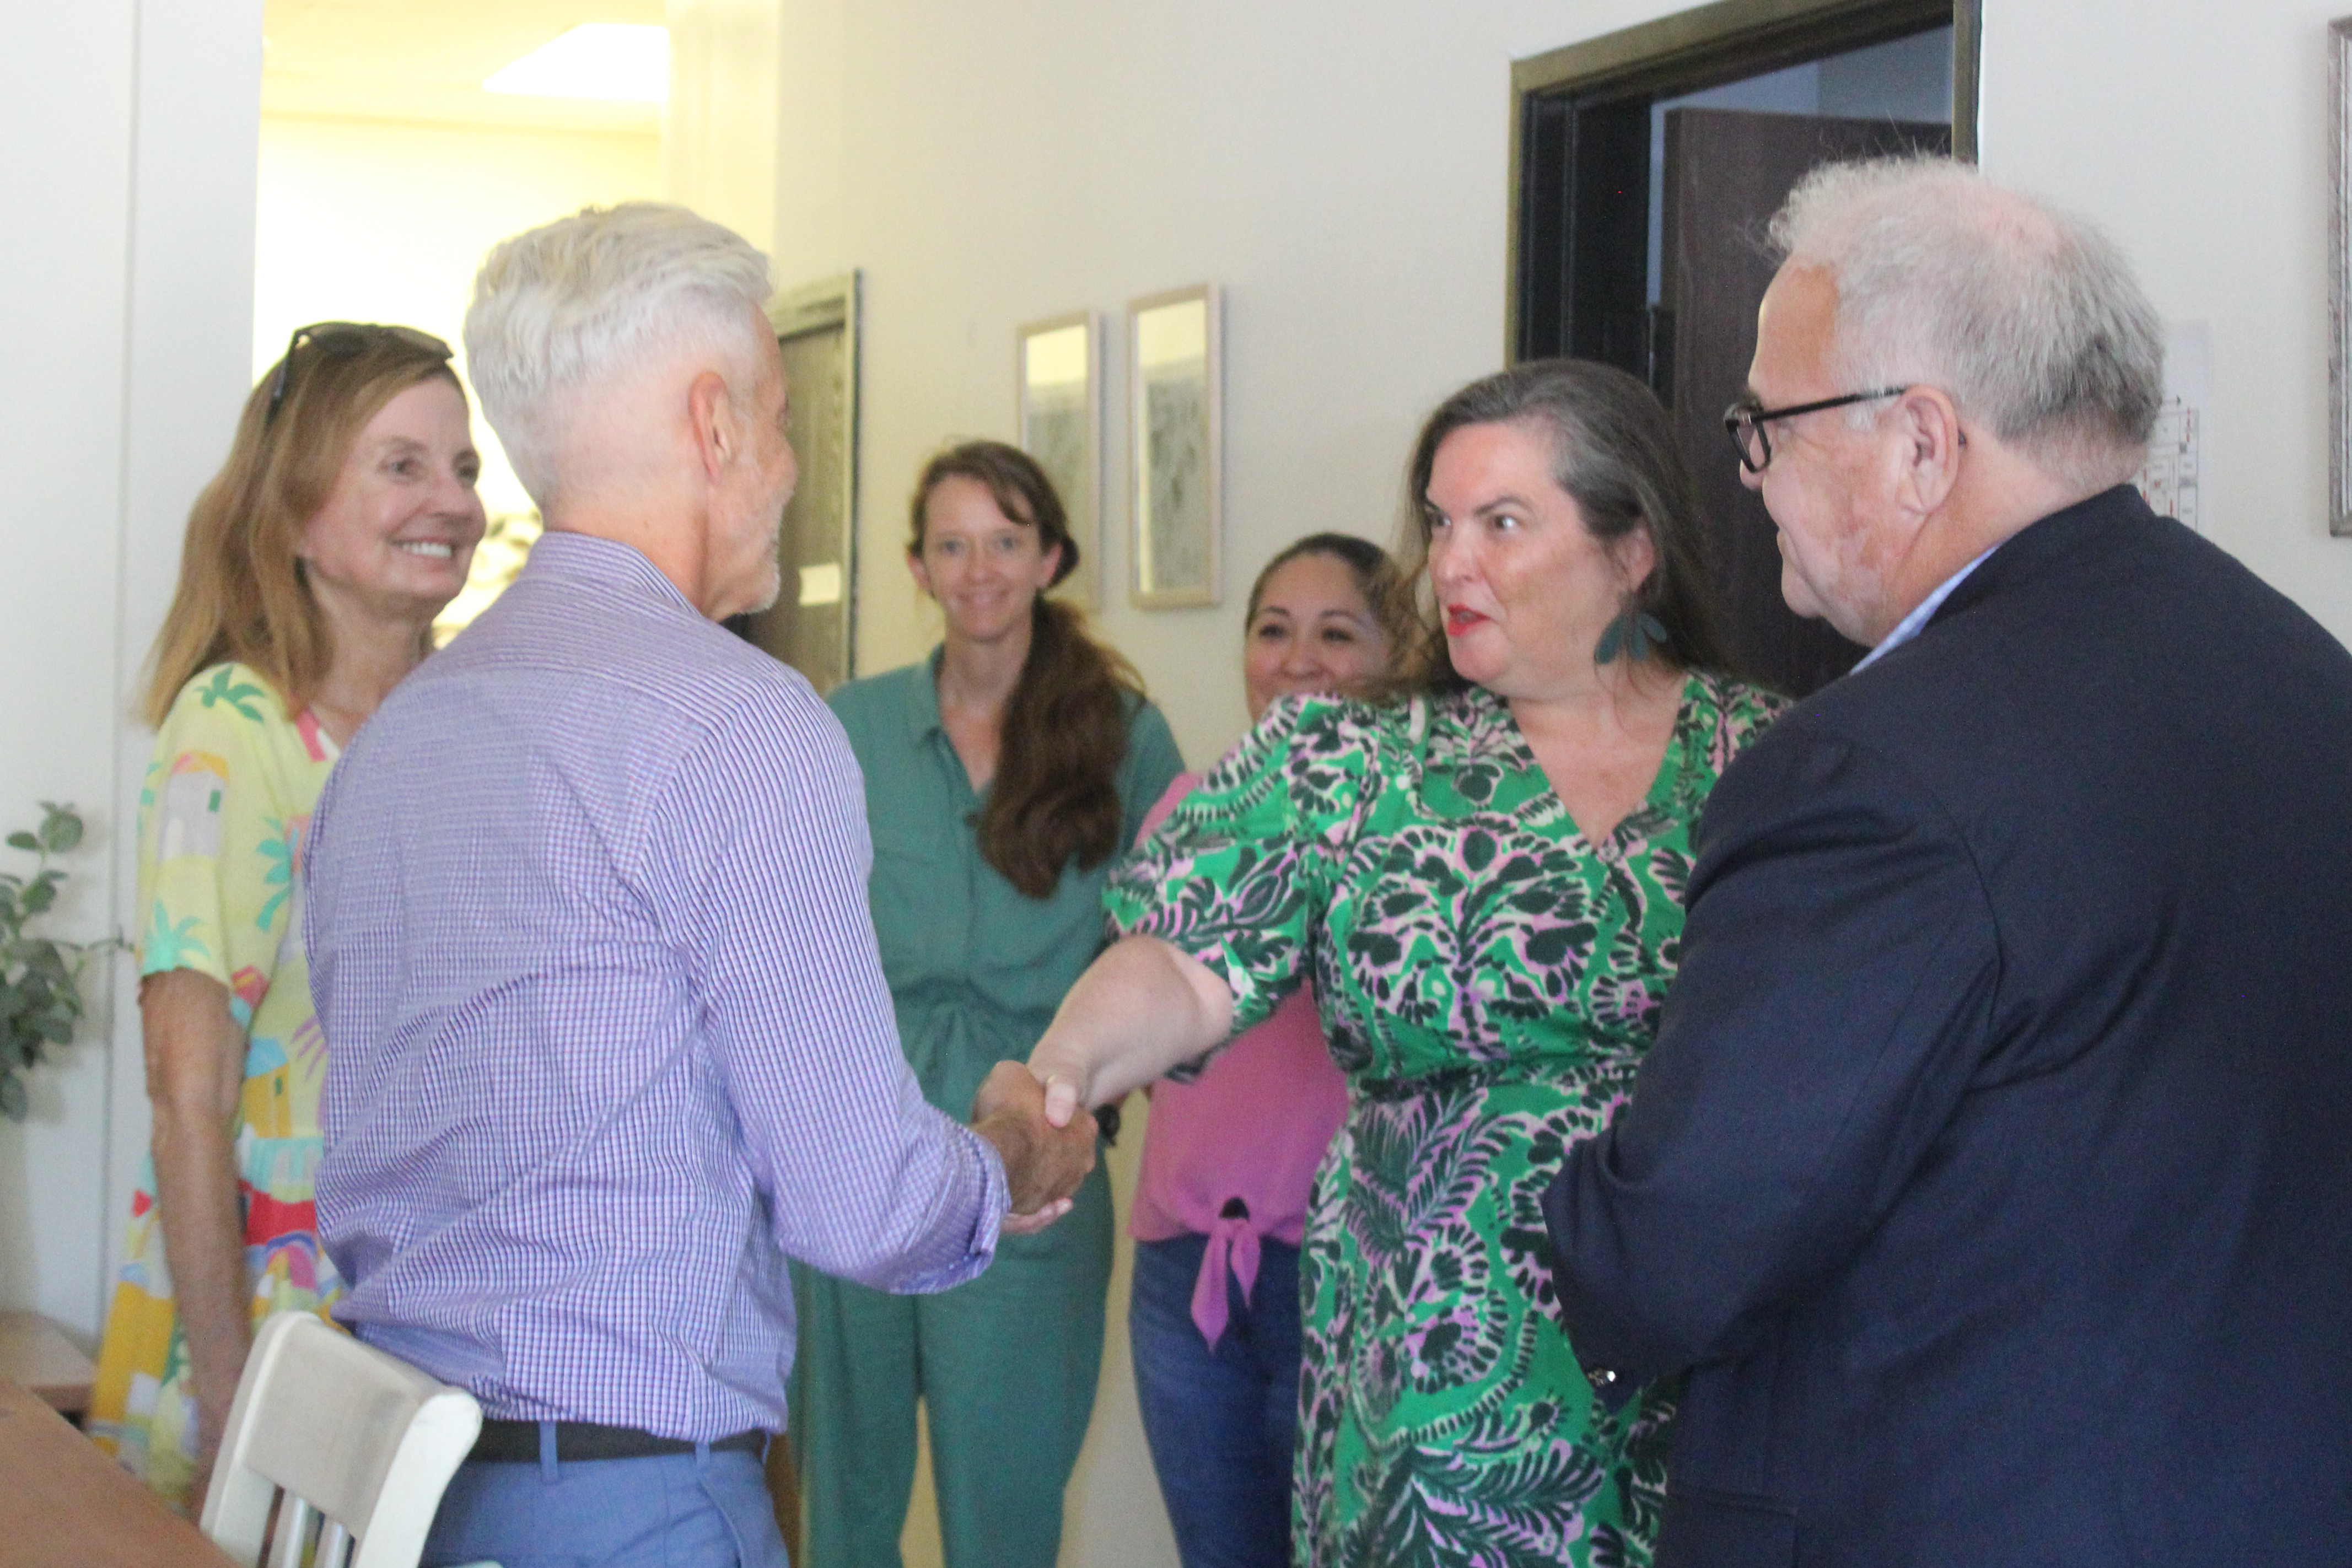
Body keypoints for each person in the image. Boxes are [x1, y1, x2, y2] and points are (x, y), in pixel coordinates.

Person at [1542, 157, 2352, 1567]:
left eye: (1766, 430)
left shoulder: (1865, 769)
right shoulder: (2304, 676)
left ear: (1922, 443)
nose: (1754, 483)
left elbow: (1682, 1244)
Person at [304, 207, 1095, 1568]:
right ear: (719, 424)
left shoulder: (398, 734)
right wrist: (1018, 1155)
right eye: (787, 422)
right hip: (622, 1499)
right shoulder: (740, 723)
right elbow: (859, 1203)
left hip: (407, 1486)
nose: (790, 469)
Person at [1025, 359, 1788, 1568]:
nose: (1450, 564)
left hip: (1704, 1363)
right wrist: (1062, 1068)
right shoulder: (1350, 760)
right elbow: (1181, 961)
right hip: (1435, 1371)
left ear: (1629, 547)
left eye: (1501, 522)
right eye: (1440, 523)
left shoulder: (1769, 758)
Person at [86, 322, 487, 1511]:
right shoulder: (234, 730)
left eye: (463, 467)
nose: (452, 502)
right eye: (401, 464)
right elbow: (188, 1093)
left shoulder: (468, 721)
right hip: (274, 1327)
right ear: (297, 510)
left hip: (440, 1326)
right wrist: (228, 1396)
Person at [791, 439, 1185, 1568]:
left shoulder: (1122, 733)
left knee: (1002, 1503)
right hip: (854, 1150)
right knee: (845, 1496)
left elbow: (1168, 935)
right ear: (917, 567)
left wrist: (1095, 1097)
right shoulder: (848, 724)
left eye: (1005, 542)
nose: (979, 570)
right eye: (953, 545)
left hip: (1030, 1155)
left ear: (1049, 556)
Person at [1126, 532, 1400, 1568]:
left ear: (1400, 651)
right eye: (1273, 630)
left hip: (1333, 1272)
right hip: (1182, 1268)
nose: (1298, 660)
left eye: (1338, 633)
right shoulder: (1185, 811)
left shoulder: (1414, 836)